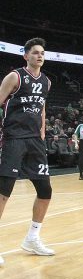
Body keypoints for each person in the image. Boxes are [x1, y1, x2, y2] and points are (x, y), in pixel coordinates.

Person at [0, 38, 55, 265]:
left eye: (42, 53)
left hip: (35, 141)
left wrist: (42, 133)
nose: (39, 56)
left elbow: (41, 108)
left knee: (45, 190)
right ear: (26, 56)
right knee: (4, 191)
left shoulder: (46, 82)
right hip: (14, 139)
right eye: (35, 53)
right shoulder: (15, 77)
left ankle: (32, 238)